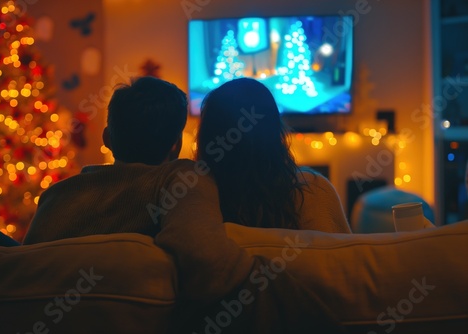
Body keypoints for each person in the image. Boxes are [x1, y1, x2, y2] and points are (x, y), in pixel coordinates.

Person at [22, 76, 344, 332]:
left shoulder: (54, 197)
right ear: (176, 145)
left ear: (107, 138)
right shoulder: (182, 188)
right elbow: (205, 261)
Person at [196, 77, 351, 233]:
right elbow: (344, 254)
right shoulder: (315, 191)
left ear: (206, 137)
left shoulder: (192, 202)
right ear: (275, 131)